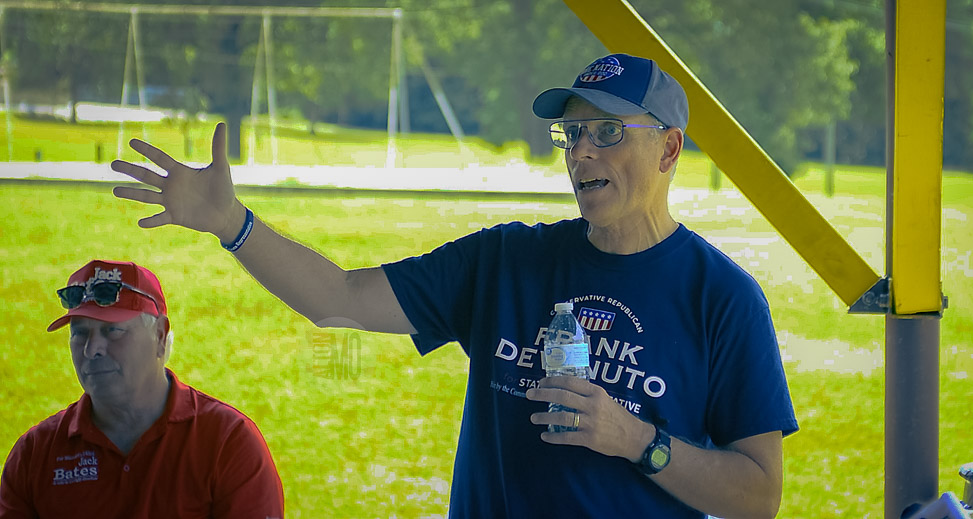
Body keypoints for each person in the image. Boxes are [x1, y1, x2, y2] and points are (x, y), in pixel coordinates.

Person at [109, 53, 797, 518]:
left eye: (608, 131)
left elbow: (759, 491)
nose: (582, 151)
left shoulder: (723, 299)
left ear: (669, 149)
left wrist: (635, 438)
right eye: (572, 133)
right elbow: (338, 299)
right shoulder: (504, 260)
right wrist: (232, 222)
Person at [0, 260, 284, 519]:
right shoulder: (34, 455)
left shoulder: (228, 444)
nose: (92, 349)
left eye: (112, 330)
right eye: (80, 333)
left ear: (159, 336)